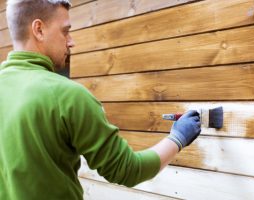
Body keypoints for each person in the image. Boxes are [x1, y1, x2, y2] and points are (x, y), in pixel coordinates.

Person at [0, 0, 201, 199]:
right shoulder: (68, 96)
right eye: (65, 31)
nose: (71, 41)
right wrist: (178, 137)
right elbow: (127, 169)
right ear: (39, 29)